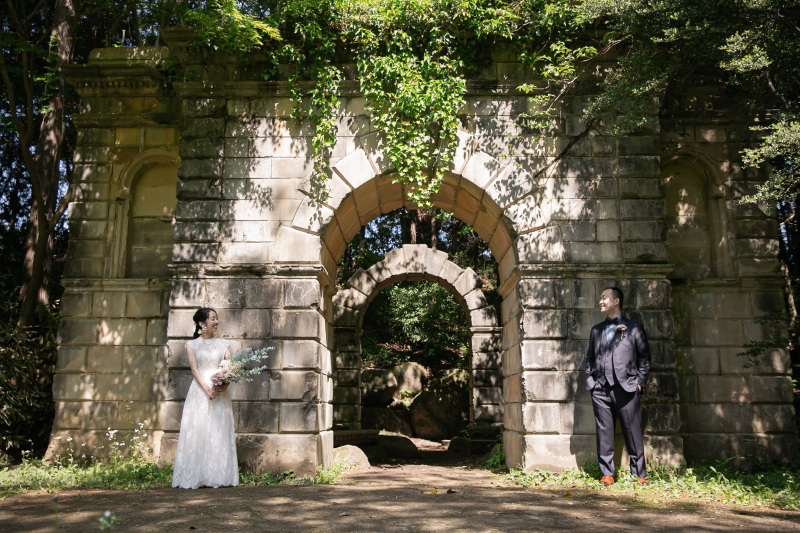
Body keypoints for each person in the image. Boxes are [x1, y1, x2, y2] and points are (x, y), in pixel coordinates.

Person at [584, 287, 651, 487]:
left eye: (604, 298)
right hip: (600, 388)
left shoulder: (634, 328)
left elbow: (644, 358)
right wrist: (591, 381)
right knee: (604, 431)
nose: (600, 302)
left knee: (633, 432)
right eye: (600, 299)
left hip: (627, 387)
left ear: (616, 301)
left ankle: (639, 474)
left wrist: (640, 382)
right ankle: (607, 473)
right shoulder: (596, 330)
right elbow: (589, 358)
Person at [172, 307, 239, 489]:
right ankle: (196, 475)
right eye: (212, 319)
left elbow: (230, 367)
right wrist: (207, 389)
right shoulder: (192, 345)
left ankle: (219, 475)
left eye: (217, 318)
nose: (216, 322)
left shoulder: (224, 344)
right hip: (200, 390)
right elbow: (194, 370)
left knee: (218, 429)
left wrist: (226, 383)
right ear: (201, 323)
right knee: (199, 428)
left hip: (220, 391)